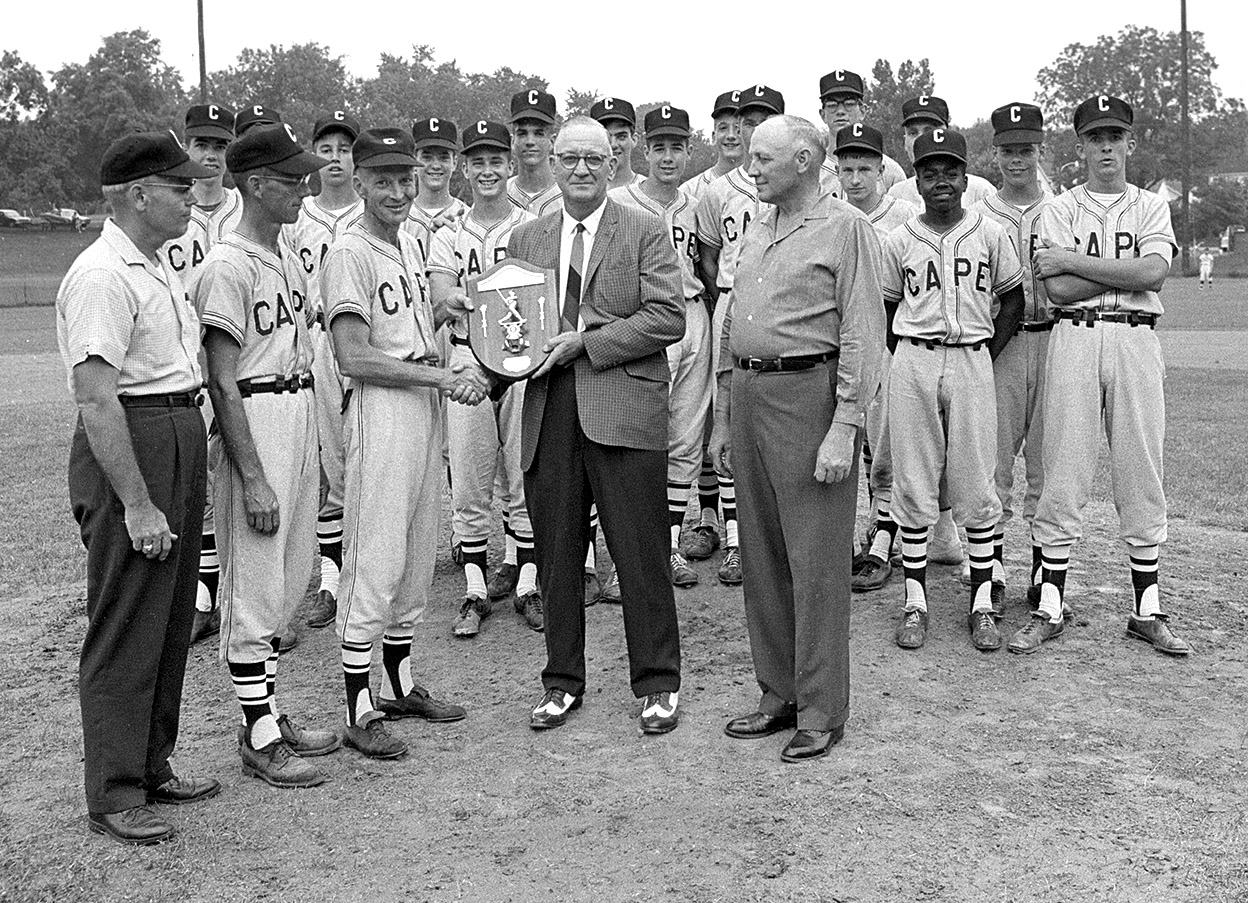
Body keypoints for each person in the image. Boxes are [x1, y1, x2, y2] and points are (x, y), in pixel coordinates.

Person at [58, 131, 220, 844]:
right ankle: (115, 789)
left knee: (169, 612)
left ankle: (151, 763)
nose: (192, 194)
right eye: (178, 185)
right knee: (127, 618)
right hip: (135, 440)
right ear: (136, 194)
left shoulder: (153, 265)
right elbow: (97, 399)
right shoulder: (102, 274)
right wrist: (137, 500)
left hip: (174, 430)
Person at [503, 116, 686, 734]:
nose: (581, 169)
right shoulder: (525, 240)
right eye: (569, 158)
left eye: (594, 158)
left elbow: (667, 317)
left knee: (640, 551)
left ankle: (657, 683)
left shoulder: (644, 228)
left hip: (623, 411)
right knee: (555, 553)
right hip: (548, 410)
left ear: (613, 165)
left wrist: (585, 341)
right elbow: (512, 333)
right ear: (551, 164)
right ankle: (561, 682)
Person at [711, 115, 884, 763]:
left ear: (808, 159)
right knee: (761, 554)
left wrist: (845, 426)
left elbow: (864, 334)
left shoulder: (847, 228)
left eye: (763, 157)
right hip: (751, 396)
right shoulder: (759, 223)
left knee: (814, 560)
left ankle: (820, 708)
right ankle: (776, 691)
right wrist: (730, 409)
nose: (750, 168)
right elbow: (738, 319)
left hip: (809, 397)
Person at [322, 128, 486, 758]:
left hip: (419, 398)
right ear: (358, 181)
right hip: (382, 405)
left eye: (404, 178)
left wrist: (447, 312)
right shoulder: (349, 251)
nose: (396, 190)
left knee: (418, 549)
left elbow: (408, 324)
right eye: (382, 179)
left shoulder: (412, 244)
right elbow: (354, 355)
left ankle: (399, 681)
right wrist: (443, 376)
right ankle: (358, 706)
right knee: (378, 551)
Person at [1015, 94, 1190, 656]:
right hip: (1076, 336)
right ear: (1081, 146)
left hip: (1137, 339)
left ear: (1129, 143)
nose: (1106, 146)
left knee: (1141, 466)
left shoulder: (1150, 205)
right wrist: (1121, 273)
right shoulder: (1060, 207)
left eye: (1115, 136)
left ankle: (1147, 609)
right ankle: (1050, 604)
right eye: (1095, 137)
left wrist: (1076, 262)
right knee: (1064, 465)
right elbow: (1057, 290)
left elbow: (1155, 274)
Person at [195, 124, 341, 788]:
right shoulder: (226, 262)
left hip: (294, 405)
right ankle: (257, 734)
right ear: (256, 184)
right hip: (256, 413)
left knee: (285, 579)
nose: (306, 187)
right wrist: (252, 475)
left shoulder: (281, 252)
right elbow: (222, 378)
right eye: (292, 179)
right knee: (255, 582)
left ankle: (269, 715)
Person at [879, 128, 1025, 653]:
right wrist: (910, 357)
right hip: (914, 358)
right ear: (915, 180)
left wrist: (987, 350)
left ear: (966, 177)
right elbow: (887, 308)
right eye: (929, 171)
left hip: (971, 356)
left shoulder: (989, 232)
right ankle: (915, 601)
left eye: (950, 170)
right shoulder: (899, 240)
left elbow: (1013, 300)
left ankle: (981, 602)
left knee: (975, 478)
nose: (940, 180)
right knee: (914, 479)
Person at [426, 120, 540, 636]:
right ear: (465, 169)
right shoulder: (449, 234)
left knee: (522, 476)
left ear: (510, 165)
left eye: (497, 160)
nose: (488, 169)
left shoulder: (533, 225)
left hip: (522, 366)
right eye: (478, 161)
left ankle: (528, 583)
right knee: (470, 481)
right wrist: (451, 300)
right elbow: (439, 295)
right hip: (467, 362)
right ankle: (474, 588)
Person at [609, 105, 712, 589]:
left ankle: (668, 545)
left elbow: (708, 268)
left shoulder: (699, 202)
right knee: (642, 435)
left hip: (693, 315)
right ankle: (636, 547)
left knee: (687, 438)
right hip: (645, 319)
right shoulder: (619, 201)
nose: (668, 156)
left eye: (677, 147)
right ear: (643, 150)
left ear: (690, 151)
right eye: (660, 147)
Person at [693, 84, 786, 588]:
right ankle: (734, 538)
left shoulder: (800, 182)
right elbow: (707, 258)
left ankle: (773, 533)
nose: (749, 129)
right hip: (732, 296)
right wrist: (725, 298)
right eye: (744, 120)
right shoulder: (717, 188)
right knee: (725, 412)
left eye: (762, 119)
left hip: (788, 305)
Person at [162, 103, 242, 646]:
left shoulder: (247, 206)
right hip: (190, 357)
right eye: (201, 145)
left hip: (242, 359)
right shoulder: (174, 211)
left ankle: (244, 594)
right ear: (187, 147)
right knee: (203, 480)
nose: (210, 156)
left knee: (245, 470)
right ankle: (204, 596)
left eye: (219, 146)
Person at [970, 102, 1054, 615]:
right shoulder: (980, 215)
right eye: (1008, 150)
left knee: (1048, 462)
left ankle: (1045, 568)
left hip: (1055, 339)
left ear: (1039, 150)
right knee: (993, 460)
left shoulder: (1063, 208)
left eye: (1026, 149)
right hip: (1001, 343)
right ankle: (993, 564)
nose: (1017, 159)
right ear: (996, 153)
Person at [831, 124, 919, 594]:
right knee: (846, 440)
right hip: (843, 343)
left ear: (883, 169)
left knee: (886, 449)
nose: (857, 177)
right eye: (848, 168)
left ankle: (883, 541)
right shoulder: (830, 213)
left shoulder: (906, 214)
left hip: (889, 341)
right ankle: (844, 539)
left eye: (865, 167)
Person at [285, 109, 364, 631]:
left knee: (366, 456)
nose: (335, 157)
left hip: (360, 345)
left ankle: (365, 570)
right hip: (315, 343)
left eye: (344, 148)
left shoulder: (372, 211)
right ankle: (332, 578)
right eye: (326, 148)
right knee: (327, 462)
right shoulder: (299, 216)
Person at [888, 96, 996, 209]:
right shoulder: (896, 195)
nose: (920, 140)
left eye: (929, 131)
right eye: (913, 133)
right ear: (905, 142)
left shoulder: (981, 191)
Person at [816, 70, 906, 193]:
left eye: (849, 104)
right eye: (832, 105)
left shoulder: (889, 170)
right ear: (823, 115)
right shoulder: (812, 169)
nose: (841, 111)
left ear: (863, 111)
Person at [403, 117, 470, 261]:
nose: (435, 165)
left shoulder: (467, 216)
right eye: (427, 157)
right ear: (414, 162)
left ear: (455, 163)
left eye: (443, 158)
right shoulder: (400, 217)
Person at [507, 89, 563, 217]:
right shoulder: (499, 193)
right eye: (522, 134)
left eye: (539, 134)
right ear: (512, 141)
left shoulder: (569, 195)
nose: (530, 141)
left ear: (552, 141)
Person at [681, 91, 743, 200]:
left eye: (738, 128)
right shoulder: (690, 190)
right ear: (714, 136)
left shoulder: (766, 187)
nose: (731, 135)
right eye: (723, 128)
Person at [591, 96, 644, 190]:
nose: (613, 145)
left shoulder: (648, 191)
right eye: (605, 137)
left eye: (621, 137)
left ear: (634, 140)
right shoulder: (580, 190)